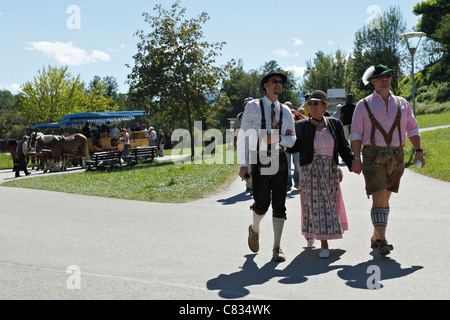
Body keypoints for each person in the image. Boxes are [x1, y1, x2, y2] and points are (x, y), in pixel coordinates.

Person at [351, 65, 425, 256]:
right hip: (372, 156)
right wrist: (356, 158)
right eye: (381, 76)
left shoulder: (402, 103)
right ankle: (383, 240)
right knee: (379, 195)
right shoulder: (363, 104)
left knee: (385, 199)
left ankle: (376, 236)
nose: (386, 79)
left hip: (397, 157)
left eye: (388, 76)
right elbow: (356, 134)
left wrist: (418, 151)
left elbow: (413, 128)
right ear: (373, 81)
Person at [237, 71, 296, 262]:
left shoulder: (285, 111)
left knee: (280, 204)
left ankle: (277, 247)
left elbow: (292, 139)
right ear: (266, 85)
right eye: (274, 82)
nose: (278, 84)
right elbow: (244, 135)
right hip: (258, 157)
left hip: (279, 158)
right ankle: (254, 229)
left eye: (280, 82)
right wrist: (243, 164)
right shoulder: (253, 106)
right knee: (262, 204)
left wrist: (279, 137)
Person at [287, 90, 354, 258]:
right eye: (310, 103)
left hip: (330, 171)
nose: (312, 106)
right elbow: (293, 148)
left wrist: (353, 164)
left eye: (315, 103)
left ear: (324, 105)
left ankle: (312, 233)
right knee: (316, 205)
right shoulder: (301, 126)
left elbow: (343, 148)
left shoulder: (335, 124)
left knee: (328, 204)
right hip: (310, 171)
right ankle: (324, 242)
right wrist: (286, 138)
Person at [233, 97, 253, 193]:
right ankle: (249, 185)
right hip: (243, 143)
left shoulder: (258, 115)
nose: (247, 106)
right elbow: (236, 130)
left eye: (249, 104)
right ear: (244, 106)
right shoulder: (240, 116)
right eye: (246, 104)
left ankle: (256, 184)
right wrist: (234, 143)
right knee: (246, 164)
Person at [285, 101, 303, 190]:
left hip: (297, 145)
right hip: (286, 145)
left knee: (297, 164)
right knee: (287, 166)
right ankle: (288, 184)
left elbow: (308, 120)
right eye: (286, 107)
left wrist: (298, 113)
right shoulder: (281, 118)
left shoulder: (297, 116)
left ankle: (297, 182)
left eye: (290, 108)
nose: (288, 110)